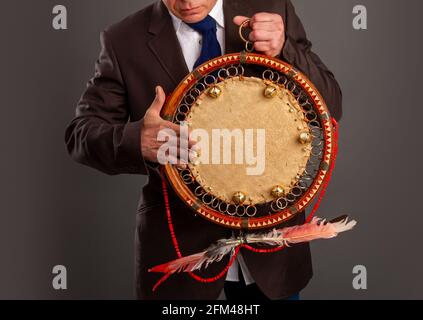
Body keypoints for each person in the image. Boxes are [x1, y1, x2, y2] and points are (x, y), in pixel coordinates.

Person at [65, 0, 342, 300]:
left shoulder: (272, 9)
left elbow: (331, 105)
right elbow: (80, 135)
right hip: (179, 249)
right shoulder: (123, 40)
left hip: (271, 249)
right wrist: (137, 140)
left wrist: (285, 49)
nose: (188, 1)